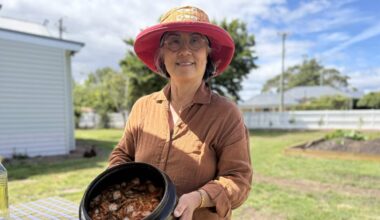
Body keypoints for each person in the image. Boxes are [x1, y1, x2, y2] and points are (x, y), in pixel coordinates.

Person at [109, 6, 252, 220]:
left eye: (195, 41)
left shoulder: (226, 113)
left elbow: (238, 180)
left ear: (208, 53)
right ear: (162, 54)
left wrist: (199, 197)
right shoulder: (143, 107)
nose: (185, 51)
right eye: (174, 41)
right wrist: (118, 184)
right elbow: (122, 155)